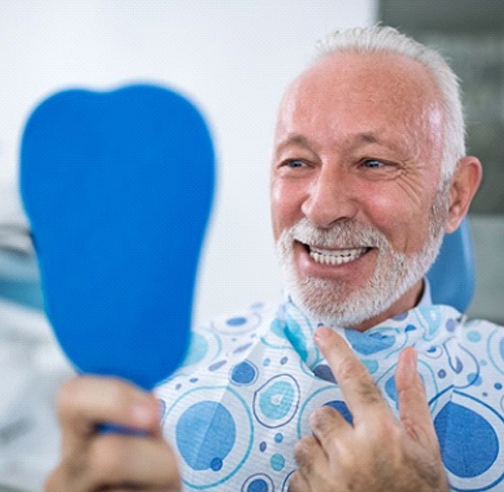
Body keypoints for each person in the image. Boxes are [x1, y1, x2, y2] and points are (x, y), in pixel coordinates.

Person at [45, 26, 504, 492]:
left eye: (372, 163)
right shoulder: (159, 393)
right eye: (297, 162)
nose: (321, 208)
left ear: (454, 196)